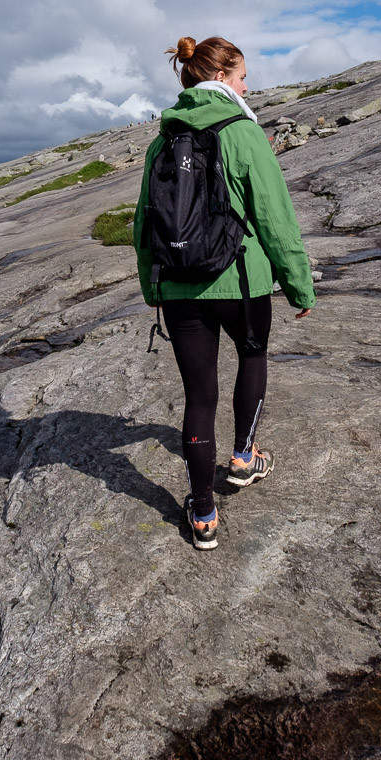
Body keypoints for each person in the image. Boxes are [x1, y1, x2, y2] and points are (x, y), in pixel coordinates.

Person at [134, 35, 316, 550]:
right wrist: (298, 283)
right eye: (241, 76)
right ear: (222, 79)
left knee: (198, 396)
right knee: (252, 355)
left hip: (179, 285)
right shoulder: (242, 132)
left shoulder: (162, 139)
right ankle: (243, 456)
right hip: (241, 280)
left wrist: (152, 282)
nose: (246, 84)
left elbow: (144, 219)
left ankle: (204, 513)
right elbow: (275, 217)